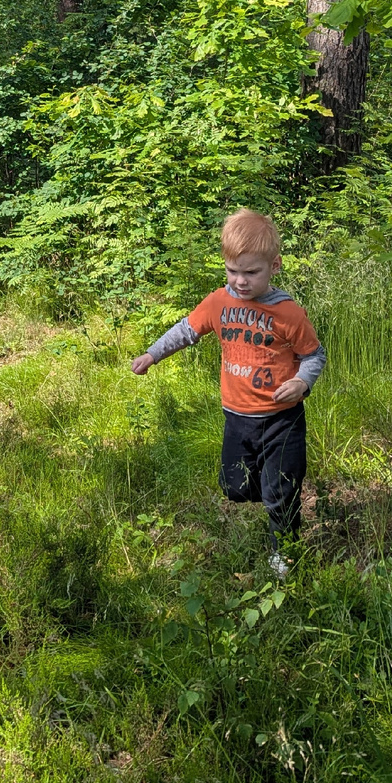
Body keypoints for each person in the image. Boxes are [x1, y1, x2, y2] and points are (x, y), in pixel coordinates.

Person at [131, 209, 325, 578]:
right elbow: (186, 329)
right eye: (233, 271)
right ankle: (267, 497)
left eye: (252, 272)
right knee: (234, 488)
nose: (241, 281)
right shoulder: (219, 302)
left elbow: (314, 355)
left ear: (274, 266)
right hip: (236, 418)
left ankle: (284, 555)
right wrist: (152, 353)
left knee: (280, 491)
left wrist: (302, 382)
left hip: (282, 419)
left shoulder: (288, 313)